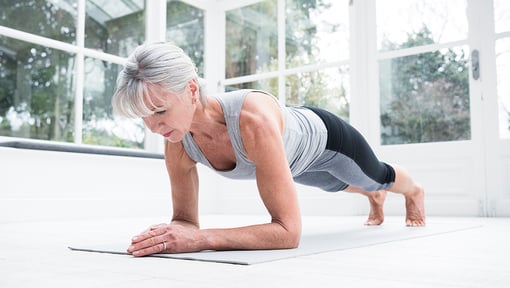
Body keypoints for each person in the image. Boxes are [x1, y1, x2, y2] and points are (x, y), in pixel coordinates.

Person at [112, 42, 425, 257]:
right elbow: (184, 221)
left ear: (192, 90)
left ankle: (413, 192)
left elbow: (288, 233)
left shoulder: (252, 121)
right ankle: (373, 197)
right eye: (144, 117)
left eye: (160, 111)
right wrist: (171, 234)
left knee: (377, 177)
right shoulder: (178, 141)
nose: (152, 127)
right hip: (295, 162)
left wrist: (203, 239)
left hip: (328, 140)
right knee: (338, 185)